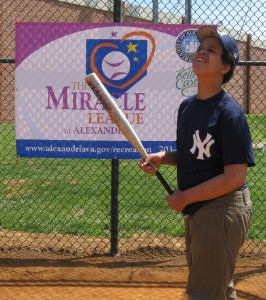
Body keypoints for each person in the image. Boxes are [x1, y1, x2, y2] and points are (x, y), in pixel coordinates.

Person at [139, 26, 255, 300]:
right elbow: (190, 154)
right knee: (217, 289)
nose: (202, 51)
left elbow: (234, 177)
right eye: (201, 48)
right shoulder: (188, 107)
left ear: (225, 66)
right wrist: (161, 158)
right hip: (202, 210)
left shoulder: (230, 114)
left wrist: (185, 197)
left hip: (222, 209)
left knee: (204, 292)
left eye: (211, 50)